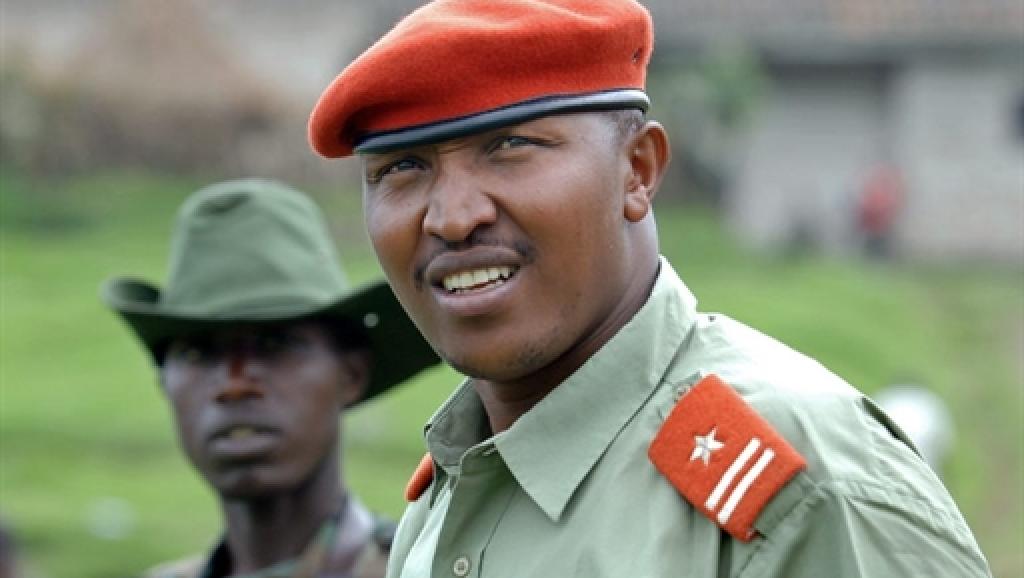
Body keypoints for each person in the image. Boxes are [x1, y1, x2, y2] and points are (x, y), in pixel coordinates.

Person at [307, 1, 992, 576]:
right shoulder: (449, 494)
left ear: (638, 171)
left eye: (512, 147)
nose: (454, 217)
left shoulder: (801, 496)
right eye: (402, 167)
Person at [103, 179, 439, 578]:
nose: (236, 384)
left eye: (275, 345)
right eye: (200, 352)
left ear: (351, 374)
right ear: (165, 385)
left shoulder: (423, 570)